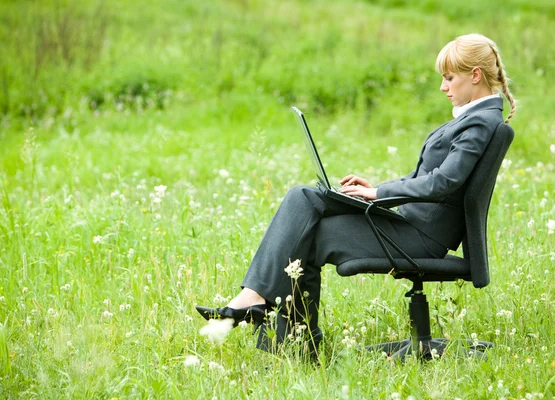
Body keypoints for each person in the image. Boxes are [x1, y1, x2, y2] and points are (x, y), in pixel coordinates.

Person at [196, 33, 517, 354]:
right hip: (409, 225)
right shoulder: (475, 119)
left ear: (475, 75)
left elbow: (443, 182)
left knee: (309, 219)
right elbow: (427, 179)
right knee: (304, 200)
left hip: (419, 239)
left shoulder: (478, 123)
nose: (443, 87)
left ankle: (286, 335)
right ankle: (273, 319)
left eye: (449, 78)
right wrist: (372, 190)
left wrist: (379, 193)